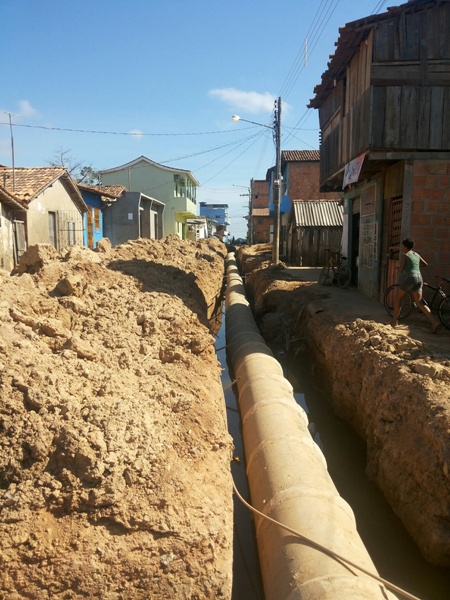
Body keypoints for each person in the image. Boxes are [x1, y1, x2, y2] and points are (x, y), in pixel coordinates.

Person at [390, 238, 440, 332]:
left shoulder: (406, 255)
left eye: (403, 246)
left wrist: (399, 268)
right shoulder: (416, 254)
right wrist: (416, 268)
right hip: (419, 277)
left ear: (405, 246)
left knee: (398, 298)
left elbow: (401, 270)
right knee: (419, 303)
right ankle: (434, 322)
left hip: (410, 278)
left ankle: (394, 321)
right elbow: (425, 264)